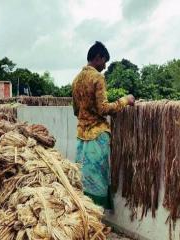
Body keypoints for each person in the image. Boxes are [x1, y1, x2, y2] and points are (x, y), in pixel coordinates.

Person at [72, 41, 135, 209]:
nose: (105, 66)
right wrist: (125, 100)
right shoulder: (97, 77)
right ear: (98, 58)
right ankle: (97, 219)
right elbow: (104, 108)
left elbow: (76, 110)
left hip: (81, 138)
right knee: (98, 180)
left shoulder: (76, 79)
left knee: (82, 180)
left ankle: (85, 216)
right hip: (97, 137)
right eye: (105, 61)